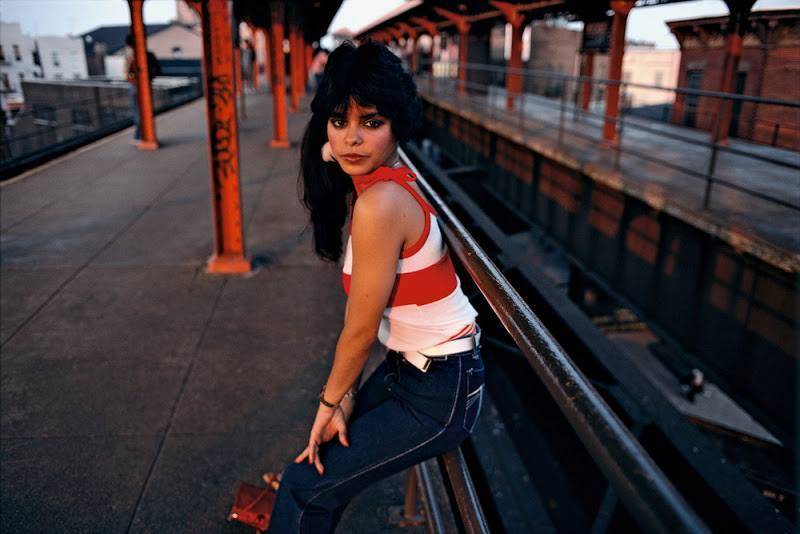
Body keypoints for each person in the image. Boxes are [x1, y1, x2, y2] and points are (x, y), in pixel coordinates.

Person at [264, 39, 484, 533]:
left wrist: (330, 402)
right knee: (317, 475)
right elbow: (333, 148)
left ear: (396, 126)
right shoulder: (385, 178)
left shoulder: (381, 204)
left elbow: (359, 332)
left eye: (371, 123)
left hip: (437, 390)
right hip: (417, 370)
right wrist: (342, 399)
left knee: (302, 485)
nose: (351, 141)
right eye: (339, 122)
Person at [123, 34, 140, 143]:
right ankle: (138, 135)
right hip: (139, 85)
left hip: (135, 86)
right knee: (139, 111)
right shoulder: (140, 52)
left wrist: (132, 79)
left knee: (137, 112)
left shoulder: (130, 55)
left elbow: (127, 75)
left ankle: (138, 136)